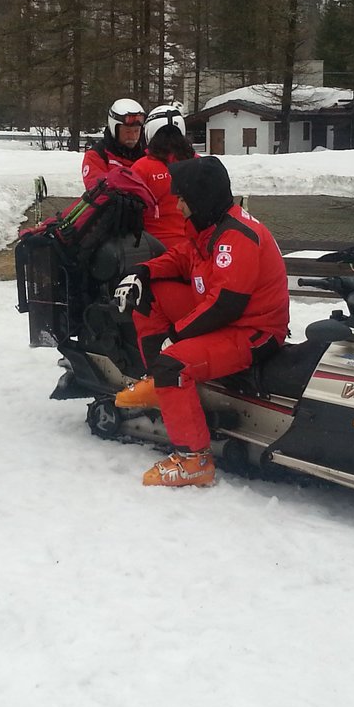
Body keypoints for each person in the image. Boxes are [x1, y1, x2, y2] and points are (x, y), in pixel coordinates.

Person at [110, 155, 290, 488]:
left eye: (181, 198)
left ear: (201, 199)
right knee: (148, 296)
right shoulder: (209, 226)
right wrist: (142, 272)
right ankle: (161, 386)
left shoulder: (236, 237)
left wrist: (175, 337)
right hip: (227, 319)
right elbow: (181, 258)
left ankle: (194, 460)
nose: (176, 205)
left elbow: (225, 306)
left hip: (253, 332)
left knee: (174, 364)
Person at [128, 102, 197, 250]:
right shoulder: (201, 164)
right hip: (196, 248)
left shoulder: (142, 167)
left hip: (154, 249)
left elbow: (129, 215)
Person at [80, 98, 146, 190]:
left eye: (136, 131)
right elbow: (95, 189)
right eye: (127, 132)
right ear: (115, 129)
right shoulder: (97, 156)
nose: (133, 136)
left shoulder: (148, 154)